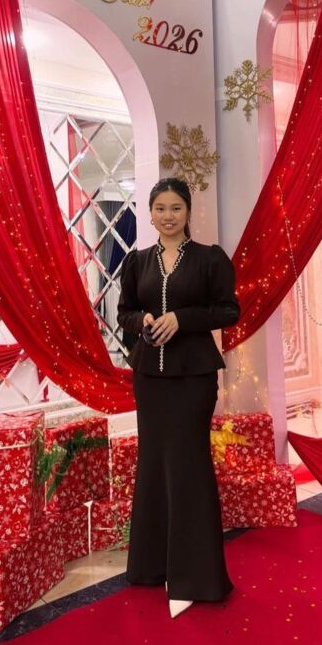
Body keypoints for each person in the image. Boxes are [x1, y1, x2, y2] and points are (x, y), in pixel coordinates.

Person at [117, 177, 240, 618]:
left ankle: (195, 577)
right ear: (150, 214)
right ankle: (153, 567)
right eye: (160, 208)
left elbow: (229, 310)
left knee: (189, 467)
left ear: (188, 212)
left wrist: (182, 319)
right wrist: (144, 320)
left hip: (193, 379)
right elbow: (124, 312)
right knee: (153, 465)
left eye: (176, 208)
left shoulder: (209, 259)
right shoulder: (137, 262)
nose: (167, 216)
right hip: (150, 379)